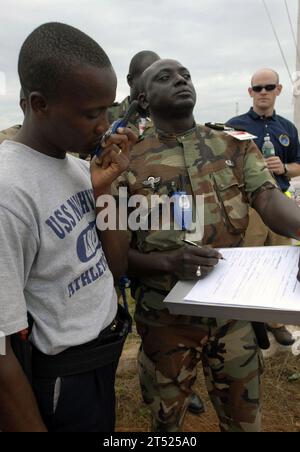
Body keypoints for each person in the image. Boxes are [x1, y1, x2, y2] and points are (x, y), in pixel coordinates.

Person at [116, 59, 300, 432]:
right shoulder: (124, 162)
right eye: (165, 78)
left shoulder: (232, 146)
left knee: (245, 421)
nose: (180, 80)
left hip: (232, 317)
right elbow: (115, 256)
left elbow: (268, 200)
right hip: (164, 319)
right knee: (167, 425)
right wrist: (169, 263)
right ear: (143, 100)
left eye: (185, 75)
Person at [0, 22, 136, 432]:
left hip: (99, 356)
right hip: (58, 378)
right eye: (92, 113)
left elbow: (115, 267)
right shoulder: (10, 192)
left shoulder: (78, 167)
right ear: (38, 104)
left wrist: (105, 189)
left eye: (109, 110)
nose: (105, 125)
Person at [110, 50, 205, 416]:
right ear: (136, 85)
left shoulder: (221, 142)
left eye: (184, 74)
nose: (179, 80)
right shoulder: (119, 126)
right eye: (155, 76)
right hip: (154, 281)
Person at [227, 68, 300, 346]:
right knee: (250, 266)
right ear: (250, 92)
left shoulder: (287, 129)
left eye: (269, 87)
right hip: (250, 209)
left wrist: (284, 167)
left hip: (281, 204)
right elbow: (223, 165)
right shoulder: (235, 125)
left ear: (279, 90)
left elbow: (298, 165)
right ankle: (250, 323)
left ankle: (276, 322)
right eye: (258, 88)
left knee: (281, 265)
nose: (263, 92)